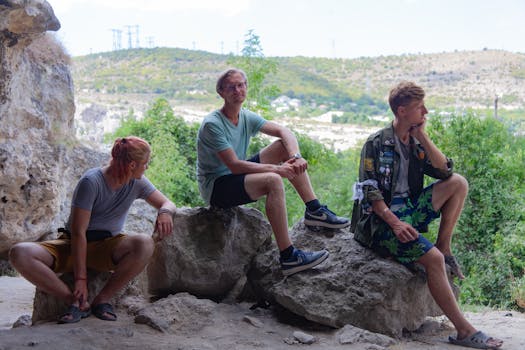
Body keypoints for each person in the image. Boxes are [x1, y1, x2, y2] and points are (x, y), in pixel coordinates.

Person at [350, 81, 503, 349]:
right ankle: (465, 331)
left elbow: (445, 172)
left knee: (459, 183)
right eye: (420, 107)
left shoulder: (414, 143)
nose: (426, 112)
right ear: (401, 110)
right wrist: (395, 224)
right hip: (379, 222)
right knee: (432, 259)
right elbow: (370, 192)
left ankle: (444, 246)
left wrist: (423, 137)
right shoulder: (376, 143)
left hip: (408, 210)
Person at [197, 68, 349, 276]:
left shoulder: (245, 116)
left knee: (281, 146)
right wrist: (278, 170)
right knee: (273, 180)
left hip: (234, 176)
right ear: (221, 92)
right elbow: (234, 165)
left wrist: (295, 157)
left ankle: (314, 210)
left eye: (241, 85)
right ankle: (289, 257)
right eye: (231, 87)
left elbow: (284, 131)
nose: (237, 90)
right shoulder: (213, 124)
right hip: (217, 186)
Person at [9, 136, 177, 323]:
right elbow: (79, 232)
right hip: (72, 244)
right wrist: (81, 279)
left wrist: (164, 212)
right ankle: (74, 300)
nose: (146, 167)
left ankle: (102, 300)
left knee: (144, 244)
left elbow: (167, 202)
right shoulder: (91, 182)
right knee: (20, 253)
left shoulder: (137, 182)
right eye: (145, 163)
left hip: (108, 246)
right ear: (131, 164)